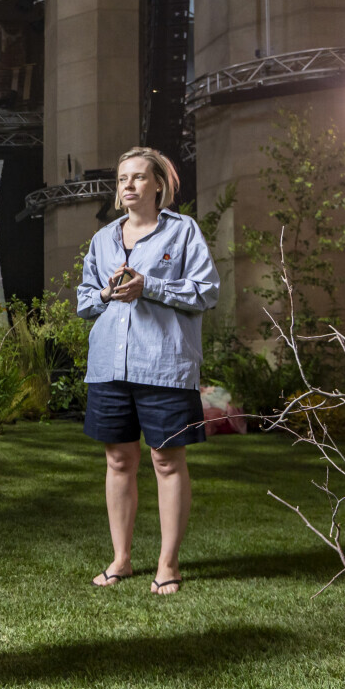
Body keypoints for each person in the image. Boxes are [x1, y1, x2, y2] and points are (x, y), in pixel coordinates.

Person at [76, 146, 220, 595]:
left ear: (159, 184)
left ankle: (168, 563)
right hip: (109, 367)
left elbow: (207, 291)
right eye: (123, 179)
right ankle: (121, 559)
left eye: (139, 177)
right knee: (118, 460)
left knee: (166, 461)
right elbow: (85, 300)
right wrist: (105, 294)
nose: (129, 185)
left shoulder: (183, 231)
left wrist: (149, 286)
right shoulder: (103, 239)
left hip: (164, 366)